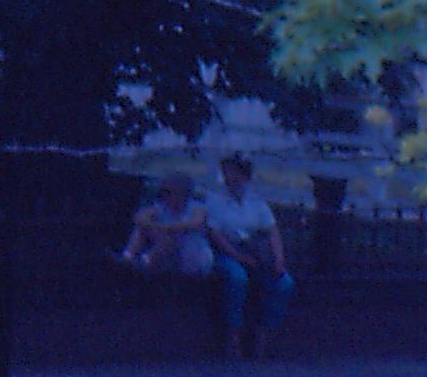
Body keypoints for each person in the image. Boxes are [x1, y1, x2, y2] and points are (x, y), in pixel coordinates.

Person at [202, 152, 297, 357]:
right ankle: (232, 334)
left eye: (235, 172)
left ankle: (262, 333)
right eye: (227, 171)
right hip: (227, 252)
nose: (230, 177)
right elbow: (215, 233)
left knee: (283, 283)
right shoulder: (215, 200)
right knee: (236, 278)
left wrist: (278, 260)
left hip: (255, 253)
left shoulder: (256, 202)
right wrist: (237, 255)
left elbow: (272, 231)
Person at [117, 171, 215, 282]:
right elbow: (139, 218)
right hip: (168, 256)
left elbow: (193, 223)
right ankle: (127, 257)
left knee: (171, 237)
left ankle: (143, 261)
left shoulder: (196, 208)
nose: (164, 195)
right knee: (141, 230)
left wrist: (162, 228)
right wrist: (155, 227)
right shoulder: (161, 207)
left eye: (168, 191)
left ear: (182, 192)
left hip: (193, 258)